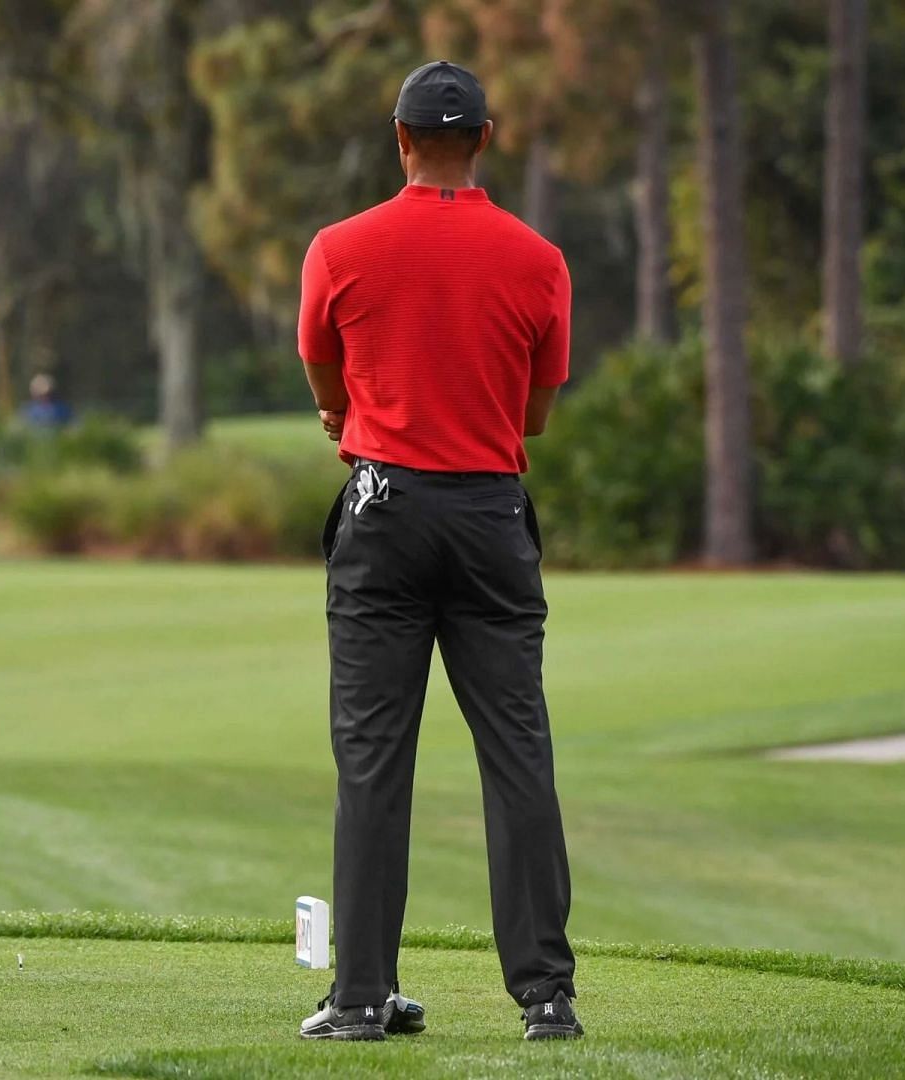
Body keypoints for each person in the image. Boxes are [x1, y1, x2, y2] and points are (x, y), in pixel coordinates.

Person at [294, 61, 580, 1042]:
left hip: (383, 515)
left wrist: (357, 416)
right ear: (486, 139)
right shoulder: (539, 260)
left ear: (401, 138)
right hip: (492, 518)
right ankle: (546, 997)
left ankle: (362, 998)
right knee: (518, 757)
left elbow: (327, 383)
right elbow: (533, 414)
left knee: (374, 762)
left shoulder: (339, 249)